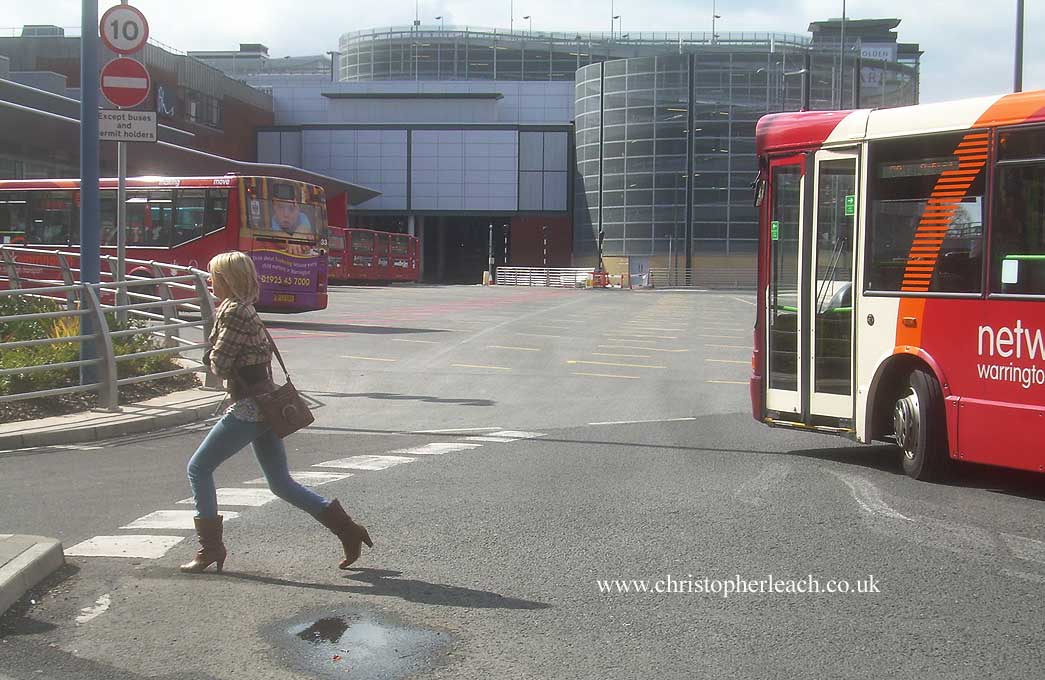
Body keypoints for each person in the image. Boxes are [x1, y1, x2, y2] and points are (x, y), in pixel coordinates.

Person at [180, 251, 372, 574]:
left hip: (250, 408)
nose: (210, 281)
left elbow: (220, 365)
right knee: (281, 484)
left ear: (228, 279)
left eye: (214, 275)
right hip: (266, 406)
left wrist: (210, 355)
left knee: (198, 468)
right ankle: (349, 531)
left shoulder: (233, 314)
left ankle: (210, 548)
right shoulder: (246, 310)